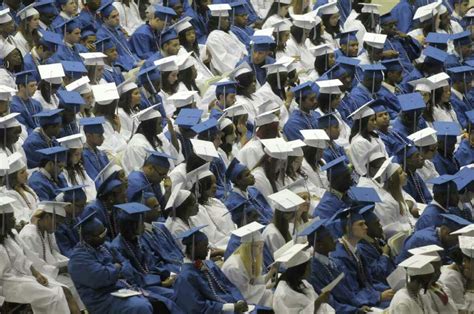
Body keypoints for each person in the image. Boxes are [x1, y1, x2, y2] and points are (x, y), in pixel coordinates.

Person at [68, 212, 156, 314]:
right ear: (88, 238)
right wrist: (117, 268)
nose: (105, 236)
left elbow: (126, 265)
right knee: (140, 307)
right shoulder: (78, 259)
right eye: (101, 234)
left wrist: (115, 269)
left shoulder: (104, 246)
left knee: (159, 301)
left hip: (121, 289)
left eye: (105, 231)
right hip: (102, 300)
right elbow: (103, 277)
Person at [0, 196, 73, 313]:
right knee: (53, 297)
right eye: (11, 217)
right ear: (2, 220)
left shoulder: (11, 235)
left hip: (25, 275)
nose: (14, 220)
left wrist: (37, 274)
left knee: (61, 290)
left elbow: (25, 259)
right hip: (9, 283)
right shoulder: (27, 235)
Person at [108, 202, 183, 313]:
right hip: (140, 286)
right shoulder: (117, 247)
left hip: (151, 280)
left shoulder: (138, 240)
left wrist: (167, 275)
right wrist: (161, 282)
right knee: (173, 297)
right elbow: (131, 277)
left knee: (183, 287)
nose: (144, 226)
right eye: (141, 223)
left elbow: (151, 264)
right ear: (132, 226)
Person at [19, 201, 83, 311]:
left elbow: (53, 252)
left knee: (79, 279)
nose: (57, 227)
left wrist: (69, 261)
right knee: (68, 288)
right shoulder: (29, 235)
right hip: (37, 276)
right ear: (47, 217)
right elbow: (34, 265)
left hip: (51, 271)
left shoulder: (47, 231)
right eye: (57, 223)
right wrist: (58, 268)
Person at [172, 225, 249, 313]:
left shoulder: (209, 264)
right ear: (193, 248)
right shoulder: (185, 278)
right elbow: (197, 308)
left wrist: (239, 300)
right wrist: (231, 308)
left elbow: (228, 285)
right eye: (204, 245)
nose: (208, 249)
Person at [331, 205, 394, 308]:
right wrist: (378, 296)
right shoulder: (340, 257)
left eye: (365, 223)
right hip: (358, 304)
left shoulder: (355, 249)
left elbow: (367, 282)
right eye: (361, 224)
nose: (366, 227)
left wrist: (385, 290)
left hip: (367, 295)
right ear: (348, 227)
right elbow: (351, 292)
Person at [222, 223, 275, 307]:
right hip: (237, 301)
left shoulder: (249, 258)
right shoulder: (234, 267)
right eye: (259, 247)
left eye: (262, 246)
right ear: (249, 246)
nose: (261, 250)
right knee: (270, 297)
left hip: (251, 294)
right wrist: (266, 287)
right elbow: (244, 293)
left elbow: (255, 280)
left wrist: (271, 272)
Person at [273, 242, 335, 313]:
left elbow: (322, 307)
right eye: (308, 266)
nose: (310, 268)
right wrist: (318, 302)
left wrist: (321, 301)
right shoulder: (283, 293)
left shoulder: (304, 283)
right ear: (301, 269)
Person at [397, 214, 470, 263]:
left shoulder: (434, 230)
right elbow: (441, 263)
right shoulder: (430, 242)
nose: (456, 243)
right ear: (445, 231)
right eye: (456, 239)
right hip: (406, 274)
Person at [348, 100, 388, 177]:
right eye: (372, 120)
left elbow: (384, 152)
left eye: (375, 119)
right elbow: (363, 168)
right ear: (363, 122)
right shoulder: (358, 142)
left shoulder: (373, 134)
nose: (375, 123)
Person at [262, 189, 304, 255]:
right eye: (293, 214)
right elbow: (277, 258)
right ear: (284, 215)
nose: (294, 218)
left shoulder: (288, 226)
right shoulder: (271, 234)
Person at [5, 152, 40, 229]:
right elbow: (20, 215)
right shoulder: (9, 194)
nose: (27, 174)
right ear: (13, 177)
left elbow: (38, 203)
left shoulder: (27, 188)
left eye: (25, 170)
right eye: (22, 172)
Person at [57, 134, 96, 202]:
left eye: (80, 154)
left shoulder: (80, 168)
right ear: (67, 155)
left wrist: (92, 199)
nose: (79, 157)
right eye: (76, 154)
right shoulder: (63, 172)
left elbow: (90, 184)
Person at [54, 185, 87, 257]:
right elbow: (66, 252)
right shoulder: (58, 226)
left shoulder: (76, 218)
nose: (83, 209)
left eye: (85, 205)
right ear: (68, 205)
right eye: (80, 206)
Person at [10, 70, 43, 134]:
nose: (35, 88)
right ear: (21, 86)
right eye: (32, 86)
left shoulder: (36, 103)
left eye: (36, 85)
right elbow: (23, 128)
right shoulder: (14, 106)